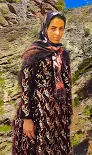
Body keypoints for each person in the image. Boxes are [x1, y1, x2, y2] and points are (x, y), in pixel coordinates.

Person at [12, 11, 72, 154]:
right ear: (45, 28)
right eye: (53, 28)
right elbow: (26, 87)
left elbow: (67, 84)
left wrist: (68, 113)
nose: (57, 33)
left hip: (58, 115)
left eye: (61, 28)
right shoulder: (34, 52)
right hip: (38, 113)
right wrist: (27, 118)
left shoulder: (63, 54)